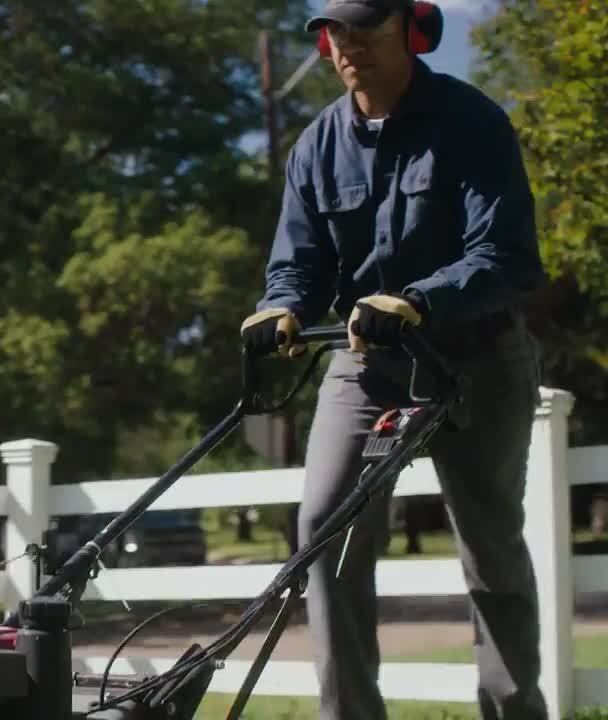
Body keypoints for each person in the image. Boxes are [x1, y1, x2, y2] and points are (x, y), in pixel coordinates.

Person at [239, 0, 549, 718]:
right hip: (367, 364)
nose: (349, 45)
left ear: (409, 30)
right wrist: (281, 304)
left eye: (365, 28)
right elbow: (300, 264)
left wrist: (419, 298)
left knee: (490, 545)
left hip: (479, 359)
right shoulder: (318, 146)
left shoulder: (470, 123)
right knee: (324, 528)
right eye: (335, 31)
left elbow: (505, 256)